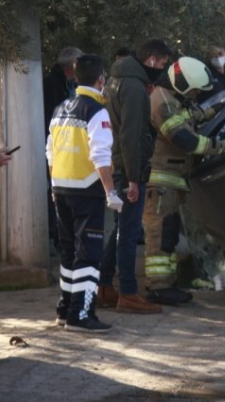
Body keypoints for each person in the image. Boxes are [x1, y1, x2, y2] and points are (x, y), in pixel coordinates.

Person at [46, 54, 124, 333]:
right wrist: (111, 191)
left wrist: (54, 185)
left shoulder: (60, 109)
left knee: (68, 252)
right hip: (87, 190)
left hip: (61, 188)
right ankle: (82, 314)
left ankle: (65, 309)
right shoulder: (96, 111)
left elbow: (50, 152)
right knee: (89, 255)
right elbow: (100, 156)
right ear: (101, 80)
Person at [143, 57, 225, 305]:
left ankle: (165, 285)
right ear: (182, 85)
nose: (194, 95)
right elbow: (184, 139)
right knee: (159, 237)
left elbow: (194, 116)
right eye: (193, 90)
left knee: (167, 236)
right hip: (160, 184)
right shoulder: (163, 102)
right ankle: (158, 287)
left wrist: (220, 107)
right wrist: (218, 146)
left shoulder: (173, 100)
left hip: (170, 183)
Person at [99, 39, 173, 315]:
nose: (162, 69)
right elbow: (130, 134)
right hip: (128, 168)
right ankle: (128, 293)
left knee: (121, 228)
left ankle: (104, 285)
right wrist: (132, 178)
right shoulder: (132, 87)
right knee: (129, 232)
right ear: (151, 60)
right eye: (162, 64)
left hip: (117, 162)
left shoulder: (116, 81)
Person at [43, 46, 84, 251]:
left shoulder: (70, 84)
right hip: (57, 148)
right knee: (57, 195)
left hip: (68, 148)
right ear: (71, 66)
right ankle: (60, 238)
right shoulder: (52, 85)